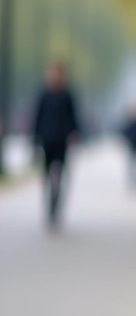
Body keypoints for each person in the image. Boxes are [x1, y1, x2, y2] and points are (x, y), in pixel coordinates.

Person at [32, 60, 80, 230]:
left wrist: (75, 134)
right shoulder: (43, 95)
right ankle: (49, 207)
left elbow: (74, 117)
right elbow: (37, 118)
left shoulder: (67, 95)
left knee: (59, 175)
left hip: (62, 141)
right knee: (46, 176)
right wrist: (34, 140)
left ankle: (56, 204)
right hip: (46, 140)